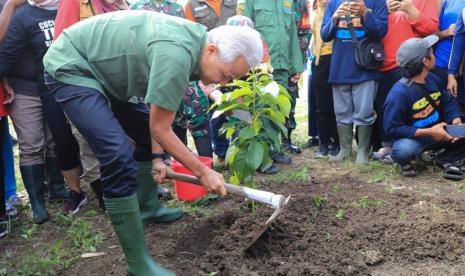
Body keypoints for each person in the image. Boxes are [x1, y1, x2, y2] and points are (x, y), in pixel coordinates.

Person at [43, 11, 262, 275]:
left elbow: (156, 127)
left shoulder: (196, 46)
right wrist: (203, 171)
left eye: (230, 81)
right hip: (73, 65)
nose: (223, 83)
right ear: (212, 51)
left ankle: (147, 208)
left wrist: (158, 159)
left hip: (106, 75)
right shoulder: (177, 53)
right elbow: (161, 129)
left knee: (144, 135)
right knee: (116, 153)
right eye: (226, 75)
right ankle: (138, 264)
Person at [0, 0, 72, 224]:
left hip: (53, 85)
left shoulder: (62, 6)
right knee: (31, 142)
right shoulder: (13, 9)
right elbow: (4, 51)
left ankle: (57, 187)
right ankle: (37, 203)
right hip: (23, 86)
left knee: (53, 139)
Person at [384, 35, 464, 178]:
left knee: (463, 132)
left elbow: (448, 101)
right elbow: (391, 128)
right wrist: (428, 132)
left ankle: (442, 158)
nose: (434, 55)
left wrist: (456, 121)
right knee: (403, 150)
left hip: (441, 132)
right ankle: (406, 160)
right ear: (425, 61)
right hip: (417, 138)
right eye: (432, 52)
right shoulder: (399, 94)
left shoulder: (432, 78)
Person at [321, 0, 388, 164]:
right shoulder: (333, 3)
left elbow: (381, 30)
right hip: (339, 66)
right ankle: (345, 150)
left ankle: (363, 152)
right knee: (342, 111)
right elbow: (325, 34)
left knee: (364, 112)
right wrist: (335, 18)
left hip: (365, 66)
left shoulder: (377, 2)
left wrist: (365, 13)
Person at [372, 0, 438, 162]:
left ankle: (414, 146)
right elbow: (367, 26)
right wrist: (381, 12)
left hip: (408, 63)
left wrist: (410, 9)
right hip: (378, 61)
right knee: (385, 107)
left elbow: (430, 29)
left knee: (411, 107)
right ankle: (387, 145)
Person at [184, 0, 238, 166]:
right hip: (204, 68)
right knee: (207, 115)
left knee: (234, 111)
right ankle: (216, 156)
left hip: (230, 65)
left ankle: (228, 157)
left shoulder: (233, 2)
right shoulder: (191, 6)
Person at [310, 0, 339, 158]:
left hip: (337, 59)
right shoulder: (314, 15)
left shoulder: (340, 11)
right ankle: (324, 142)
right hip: (320, 61)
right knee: (322, 105)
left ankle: (336, 142)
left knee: (337, 104)